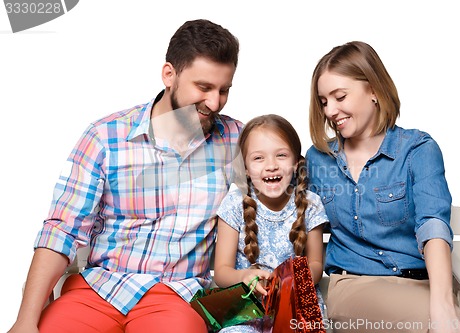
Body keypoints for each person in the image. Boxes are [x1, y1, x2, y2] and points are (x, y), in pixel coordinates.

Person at [8, 19, 243, 333]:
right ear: (169, 75)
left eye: (223, 90)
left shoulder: (238, 141)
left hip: (177, 295)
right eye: (203, 88)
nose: (215, 102)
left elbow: (289, 187)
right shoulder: (105, 136)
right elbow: (62, 231)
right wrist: (25, 321)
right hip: (98, 290)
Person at [306, 41, 460, 333]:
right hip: (353, 284)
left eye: (340, 96)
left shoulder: (418, 150)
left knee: (449, 320)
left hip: (419, 285)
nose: (330, 110)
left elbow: (432, 224)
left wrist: (442, 303)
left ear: (373, 90)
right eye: (323, 101)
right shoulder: (319, 159)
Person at [214, 114, 328, 333]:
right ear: (245, 167)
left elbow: (315, 264)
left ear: (296, 163)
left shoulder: (310, 203)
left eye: (281, 155)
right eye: (259, 158)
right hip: (247, 309)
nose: (271, 166)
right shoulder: (235, 203)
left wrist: (292, 283)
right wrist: (244, 276)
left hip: (296, 306)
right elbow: (221, 271)